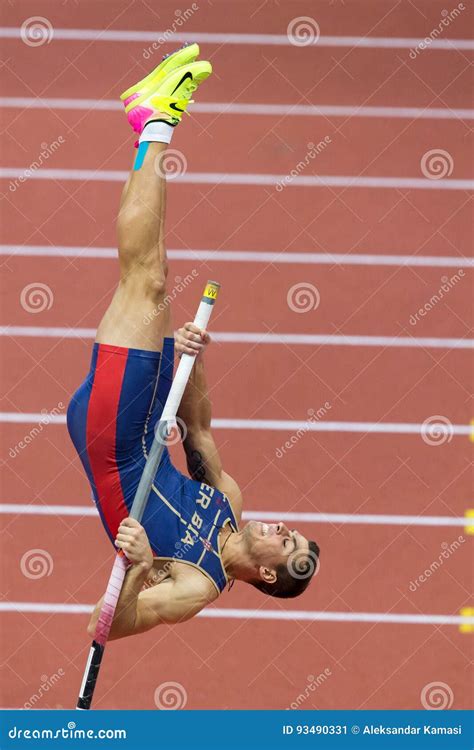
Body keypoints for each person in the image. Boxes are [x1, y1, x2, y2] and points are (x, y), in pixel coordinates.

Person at [67, 44, 320, 641]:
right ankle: (148, 118)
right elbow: (199, 431)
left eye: (288, 545)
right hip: (147, 418)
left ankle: (155, 119)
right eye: (293, 531)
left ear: (263, 573)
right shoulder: (226, 498)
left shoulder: (196, 585)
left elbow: (105, 629)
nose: (284, 529)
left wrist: (140, 565)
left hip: (114, 447)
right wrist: (193, 357)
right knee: (155, 272)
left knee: (144, 279)